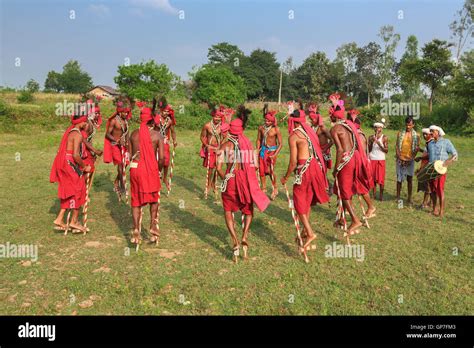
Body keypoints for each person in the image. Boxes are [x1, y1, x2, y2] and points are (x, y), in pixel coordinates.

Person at [217, 106, 270, 262]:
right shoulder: (248, 144)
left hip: (231, 180)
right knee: (247, 210)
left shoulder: (226, 145)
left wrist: (225, 178)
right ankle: (245, 235)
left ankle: (234, 240)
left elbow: (218, 167)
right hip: (246, 180)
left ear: (230, 130)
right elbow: (254, 165)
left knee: (228, 210)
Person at [281, 105, 329, 254]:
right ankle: (303, 232)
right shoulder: (310, 132)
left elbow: (294, 162)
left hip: (304, 169)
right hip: (315, 167)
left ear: (293, 122)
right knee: (306, 200)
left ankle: (309, 233)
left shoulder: (294, 136)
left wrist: (285, 177)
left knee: (298, 200)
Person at [128, 105, 165, 246]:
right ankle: (152, 226)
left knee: (136, 200)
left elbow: (130, 156)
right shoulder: (157, 135)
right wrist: (159, 171)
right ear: (152, 120)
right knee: (154, 199)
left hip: (135, 169)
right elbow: (161, 158)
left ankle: (136, 228)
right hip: (149, 170)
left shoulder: (133, 134)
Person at [328, 93, 364, 235]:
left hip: (345, 161)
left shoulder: (335, 129)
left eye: (331, 113)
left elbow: (340, 149)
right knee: (345, 189)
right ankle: (341, 219)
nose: (329, 116)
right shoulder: (349, 126)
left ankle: (355, 220)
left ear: (334, 116)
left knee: (344, 192)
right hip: (354, 159)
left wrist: (336, 168)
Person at [50, 114, 91, 232]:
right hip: (70, 164)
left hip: (66, 163)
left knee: (70, 191)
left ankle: (59, 219)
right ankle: (73, 221)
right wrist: (84, 167)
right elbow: (76, 155)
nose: (87, 124)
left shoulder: (71, 132)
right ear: (82, 122)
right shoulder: (77, 134)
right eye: (86, 122)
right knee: (79, 190)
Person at [348, 110, 376, 220]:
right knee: (349, 186)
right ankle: (350, 208)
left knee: (360, 187)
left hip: (360, 164)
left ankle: (371, 206)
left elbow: (361, 151)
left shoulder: (359, 135)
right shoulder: (355, 134)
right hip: (355, 163)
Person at [427, 125, 458, 217]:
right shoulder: (430, 144)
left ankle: (441, 211)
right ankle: (434, 209)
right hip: (431, 170)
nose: (431, 133)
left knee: (440, 190)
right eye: (430, 131)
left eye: (433, 131)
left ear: (438, 132)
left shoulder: (446, 142)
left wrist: (447, 162)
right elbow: (429, 157)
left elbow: (455, 154)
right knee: (432, 190)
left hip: (441, 170)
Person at [104, 104, 131, 199]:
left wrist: (128, 144)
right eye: (124, 112)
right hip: (115, 146)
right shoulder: (114, 121)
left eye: (127, 112)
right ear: (120, 112)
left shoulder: (126, 121)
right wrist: (117, 141)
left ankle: (116, 181)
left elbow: (127, 134)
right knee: (120, 164)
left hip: (124, 146)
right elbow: (107, 134)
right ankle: (122, 186)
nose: (126, 114)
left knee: (125, 164)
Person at [256, 104, 282, 200]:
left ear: (272, 121)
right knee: (261, 170)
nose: (266, 122)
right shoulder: (261, 128)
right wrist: (257, 149)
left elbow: (280, 144)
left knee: (270, 171)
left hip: (272, 152)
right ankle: (263, 188)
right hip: (263, 151)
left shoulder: (276, 129)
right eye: (265, 120)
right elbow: (258, 139)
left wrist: (275, 154)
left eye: (268, 121)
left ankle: (275, 188)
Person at [395, 116, 420, 204]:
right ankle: (398, 197)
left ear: (413, 125)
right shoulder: (400, 133)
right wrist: (399, 157)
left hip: (410, 160)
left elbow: (416, 148)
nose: (408, 127)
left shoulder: (417, 135)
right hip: (400, 159)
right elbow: (397, 146)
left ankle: (409, 198)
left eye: (410, 125)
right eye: (407, 125)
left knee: (409, 178)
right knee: (399, 178)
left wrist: (411, 158)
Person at [155, 98, 177, 192]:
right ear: (161, 111)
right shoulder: (156, 118)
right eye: (164, 111)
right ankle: (156, 176)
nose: (166, 113)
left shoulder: (169, 121)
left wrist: (174, 140)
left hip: (165, 142)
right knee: (157, 160)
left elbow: (173, 132)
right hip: (155, 142)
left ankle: (164, 178)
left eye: (167, 111)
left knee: (166, 161)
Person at [200, 107, 223, 198]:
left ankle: (214, 183)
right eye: (215, 117)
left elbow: (225, 137)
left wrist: (221, 147)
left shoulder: (222, 126)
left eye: (219, 117)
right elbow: (202, 137)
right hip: (210, 149)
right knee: (210, 169)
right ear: (213, 116)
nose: (217, 119)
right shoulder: (207, 126)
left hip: (219, 149)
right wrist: (206, 145)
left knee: (218, 168)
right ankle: (208, 185)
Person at [308, 102, 333, 170]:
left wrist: (324, 150)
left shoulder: (323, 128)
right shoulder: (311, 127)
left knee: (323, 170)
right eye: (310, 119)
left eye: (311, 119)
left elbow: (332, 140)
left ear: (316, 120)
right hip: (314, 152)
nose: (310, 121)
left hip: (323, 152)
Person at [368, 122, 388, 201]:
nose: (377, 129)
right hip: (372, 159)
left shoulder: (384, 138)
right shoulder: (370, 137)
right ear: (374, 128)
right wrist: (371, 142)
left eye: (379, 128)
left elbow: (386, 151)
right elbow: (368, 150)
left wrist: (379, 143)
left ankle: (381, 196)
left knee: (381, 179)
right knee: (373, 178)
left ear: (382, 129)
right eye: (376, 127)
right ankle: (373, 194)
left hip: (380, 159)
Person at [414, 128, 433, 209]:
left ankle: (424, 203)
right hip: (425, 165)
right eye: (423, 134)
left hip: (428, 166)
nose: (425, 136)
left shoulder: (431, 143)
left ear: (430, 134)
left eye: (426, 134)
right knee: (429, 185)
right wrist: (421, 150)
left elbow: (430, 155)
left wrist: (420, 158)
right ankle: (430, 203)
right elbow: (427, 152)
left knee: (427, 185)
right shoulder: (428, 143)